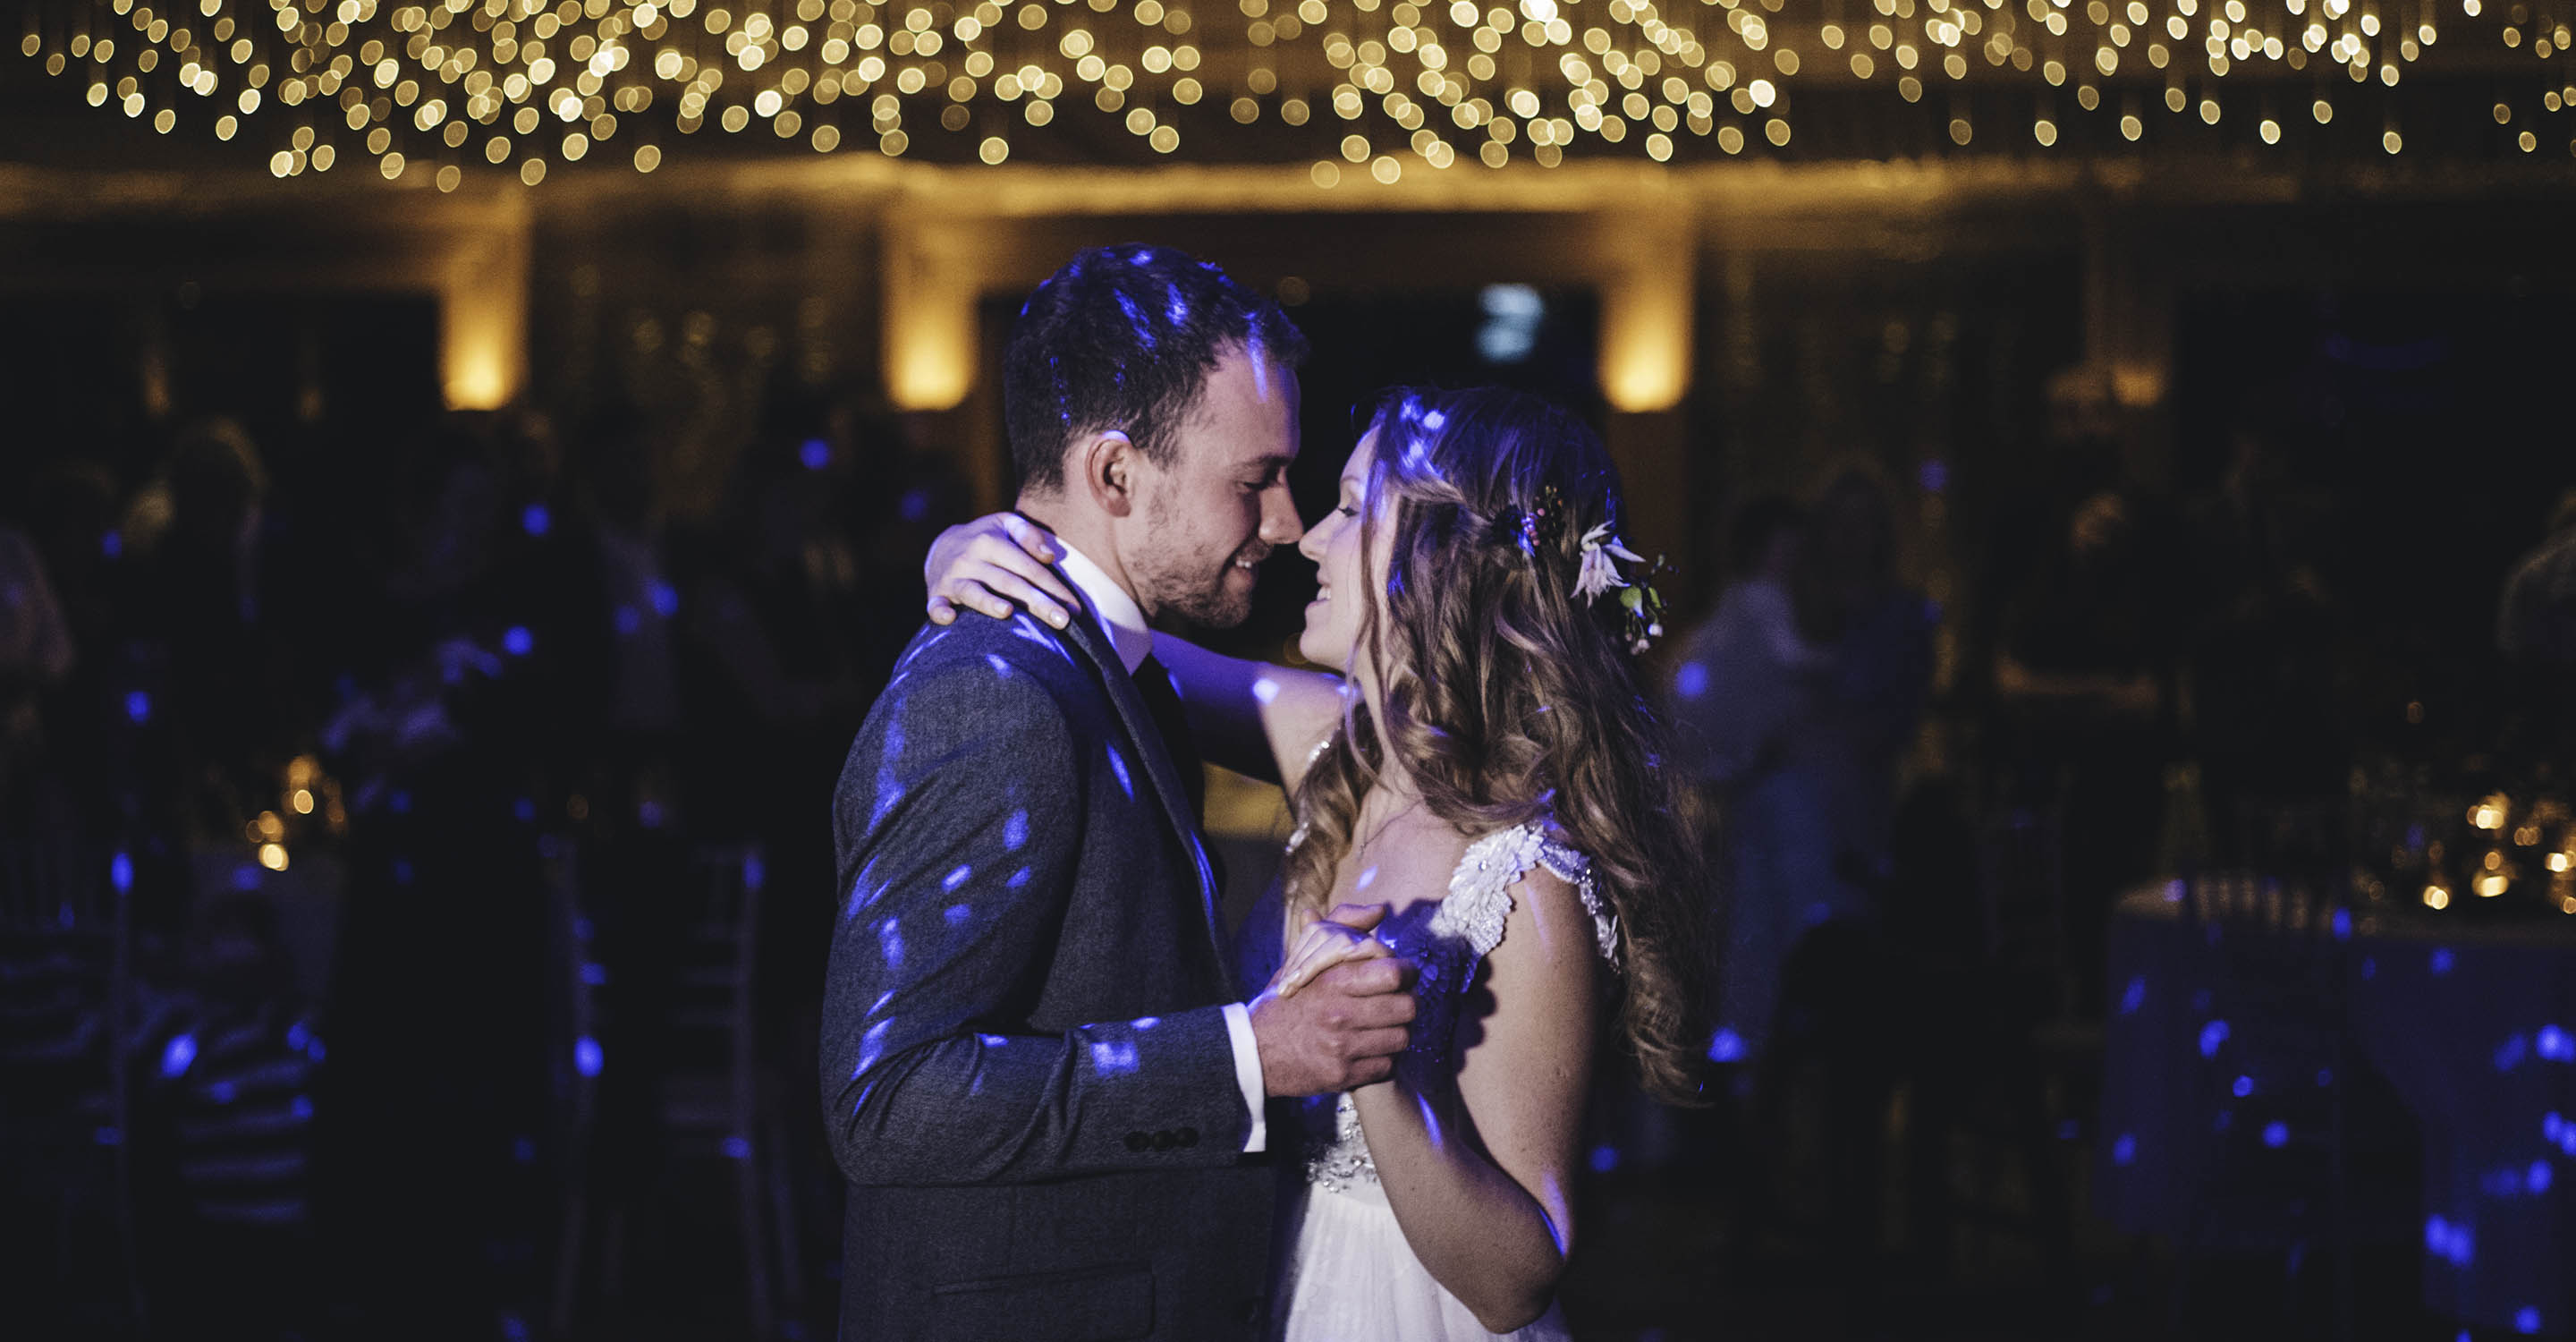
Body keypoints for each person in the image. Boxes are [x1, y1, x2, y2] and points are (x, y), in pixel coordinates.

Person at [923, 386, 1706, 1339]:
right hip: (1279, 1290)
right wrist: (970, 550)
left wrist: (1378, 1070)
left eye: (1349, 506)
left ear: (1441, 555)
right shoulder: (1334, 748)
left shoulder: (1527, 875)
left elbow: (1516, 1280)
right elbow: (1096, 641)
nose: (1309, 539)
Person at [819, 245, 1420, 1341]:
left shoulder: (1107, 658)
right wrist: (1254, 1053)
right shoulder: (994, 695)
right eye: (1256, 481)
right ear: (1114, 475)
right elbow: (888, 1101)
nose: (1287, 524)